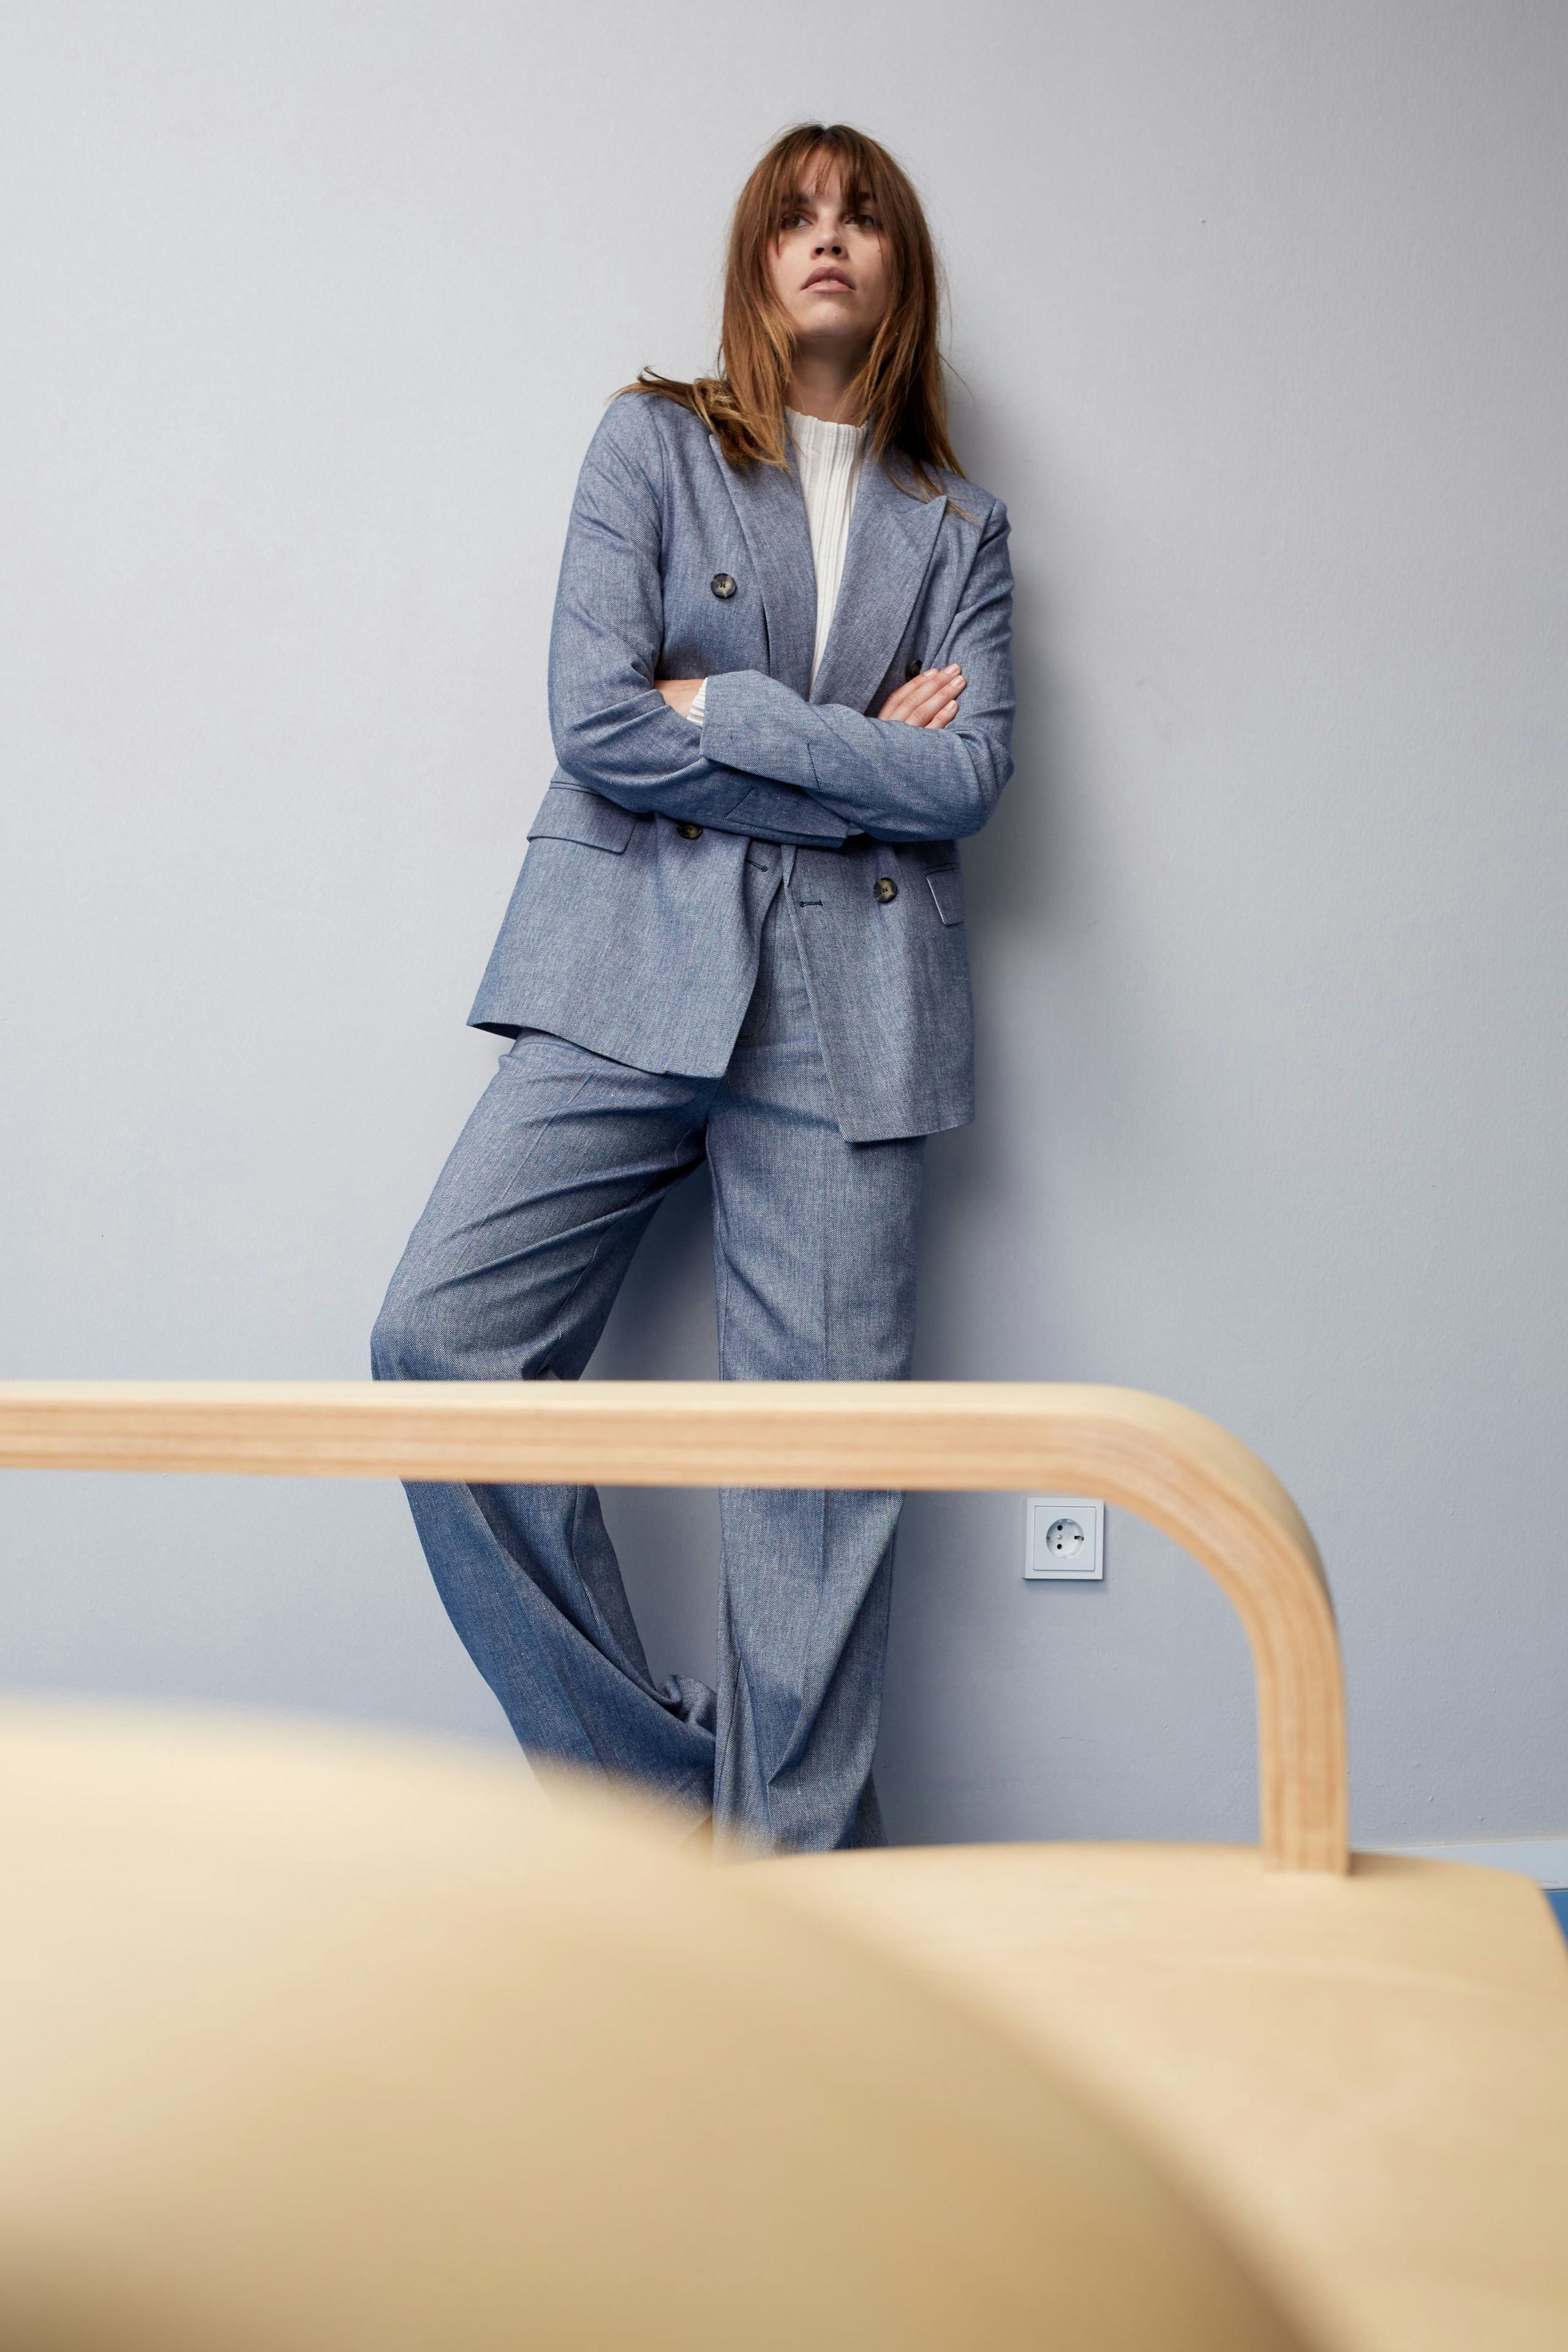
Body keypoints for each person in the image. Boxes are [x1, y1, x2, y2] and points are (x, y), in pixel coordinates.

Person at [372, 121, 1014, 1853]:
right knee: (441, 1343)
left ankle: (801, 1912)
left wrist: (716, 712)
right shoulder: (650, 442)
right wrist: (834, 745)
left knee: (818, 1477)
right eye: (796, 217)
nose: (828, 241)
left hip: (852, 1001)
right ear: (751, 258)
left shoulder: (957, 523)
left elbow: (966, 785)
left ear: (898, 267)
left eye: (861, 219)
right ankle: (655, 1812)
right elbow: (594, 723)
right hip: (628, 957)